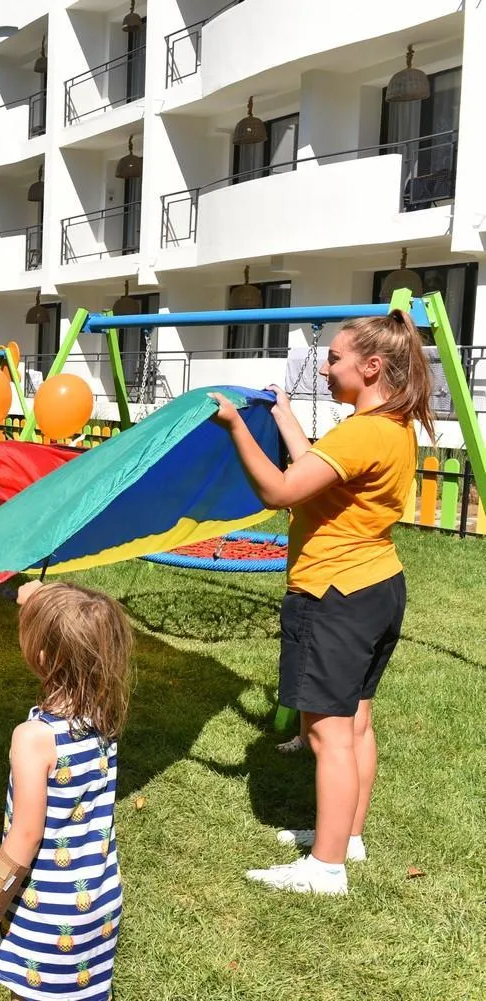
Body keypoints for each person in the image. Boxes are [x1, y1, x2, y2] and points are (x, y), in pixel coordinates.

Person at [210, 308, 431, 895]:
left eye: (334, 358)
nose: (326, 368)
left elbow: (282, 487)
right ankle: (346, 838)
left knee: (325, 734)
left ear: (372, 366)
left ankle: (324, 869)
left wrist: (235, 427)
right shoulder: (392, 426)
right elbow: (317, 466)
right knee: (356, 722)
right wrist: (283, 414)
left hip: (333, 592)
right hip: (378, 585)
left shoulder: (362, 431)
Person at [0, 579, 130, 1001]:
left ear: (42, 655)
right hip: (101, 899)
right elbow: (81, 621)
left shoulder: (34, 737)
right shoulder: (102, 715)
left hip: (48, 911)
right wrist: (35, 597)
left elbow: (26, 834)